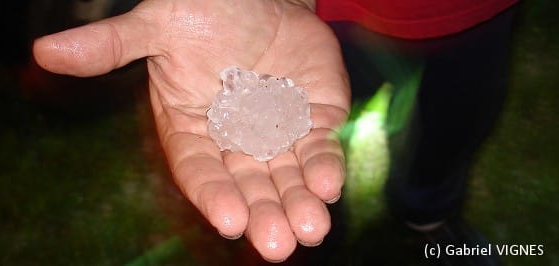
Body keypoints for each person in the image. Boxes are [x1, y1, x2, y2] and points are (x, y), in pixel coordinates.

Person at [32, 0, 518, 262]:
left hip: (477, 14)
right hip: (319, 19)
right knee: (322, 152)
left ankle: (428, 213)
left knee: (456, 117)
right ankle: (323, 240)